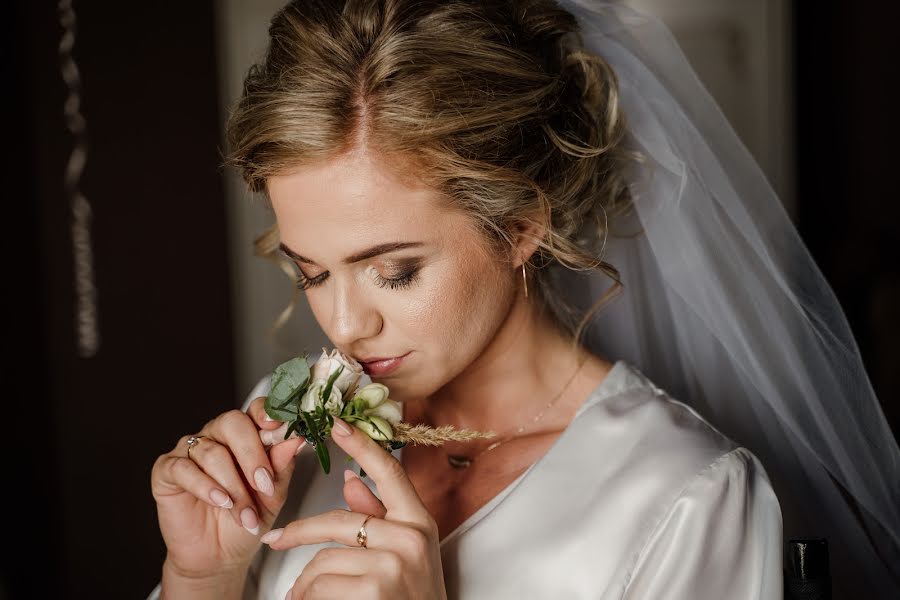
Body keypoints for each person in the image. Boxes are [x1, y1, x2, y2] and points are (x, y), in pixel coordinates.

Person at [148, 0, 900, 598]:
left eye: (395, 271)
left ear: (519, 227)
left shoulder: (686, 502)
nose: (345, 325)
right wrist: (202, 579)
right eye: (312, 272)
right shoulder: (282, 447)